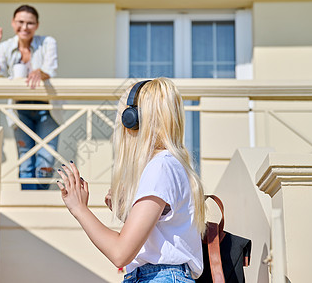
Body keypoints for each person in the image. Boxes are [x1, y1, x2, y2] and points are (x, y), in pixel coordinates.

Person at [56, 78, 206, 282]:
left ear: (132, 119)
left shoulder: (160, 166)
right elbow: (162, 237)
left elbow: (120, 253)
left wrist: (79, 209)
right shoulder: (169, 165)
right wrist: (127, 213)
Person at [0, 5, 58, 190]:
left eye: (30, 23)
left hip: (47, 109)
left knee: (45, 162)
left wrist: (39, 72)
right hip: (20, 109)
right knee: (25, 161)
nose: (25, 27)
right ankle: (30, 201)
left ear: (37, 25)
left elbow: (50, 70)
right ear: (13, 22)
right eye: (20, 22)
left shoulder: (48, 42)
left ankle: (40, 203)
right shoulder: (5, 46)